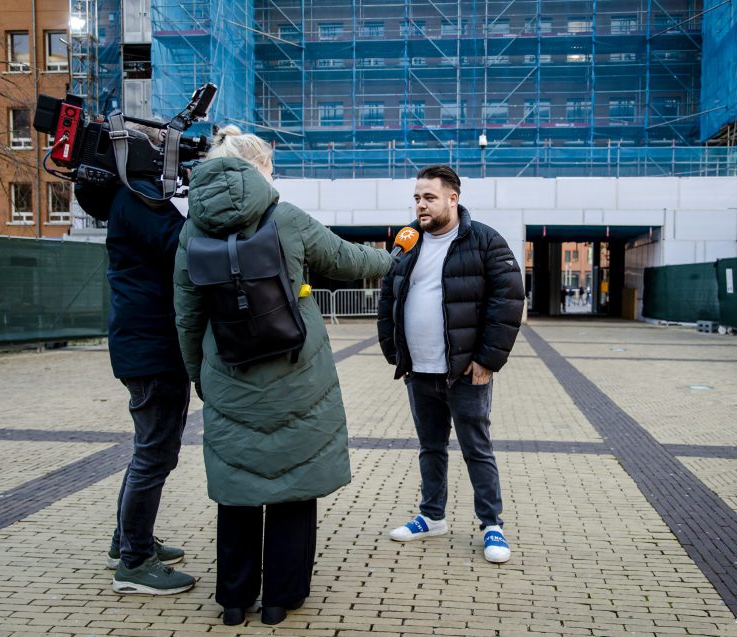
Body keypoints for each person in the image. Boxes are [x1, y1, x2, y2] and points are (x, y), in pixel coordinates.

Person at [173, 126, 392, 626]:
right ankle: (280, 600)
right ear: (261, 168)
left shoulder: (192, 230)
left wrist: (201, 378)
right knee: (294, 487)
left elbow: (186, 317)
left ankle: (233, 601)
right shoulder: (285, 217)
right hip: (298, 371)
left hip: (229, 373)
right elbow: (349, 261)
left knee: (237, 489)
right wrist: (396, 258)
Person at [377, 164, 524, 564]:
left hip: (465, 371)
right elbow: (388, 297)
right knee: (431, 448)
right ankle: (431, 515)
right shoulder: (406, 242)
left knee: (476, 447)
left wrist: (487, 359)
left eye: (429, 197)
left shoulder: (484, 241)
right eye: (417, 197)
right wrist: (396, 354)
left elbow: (508, 301)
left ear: (452, 198)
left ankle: (491, 524)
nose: (421, 204)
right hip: (419, 369)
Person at [75, 159, 196, 595]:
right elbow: (183, 245)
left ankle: (127, 542)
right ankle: (134, 563)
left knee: (150, 453)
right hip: (153, 349)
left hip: (145, 346)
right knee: (154, 456)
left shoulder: (129, 201)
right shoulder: (138, 199)